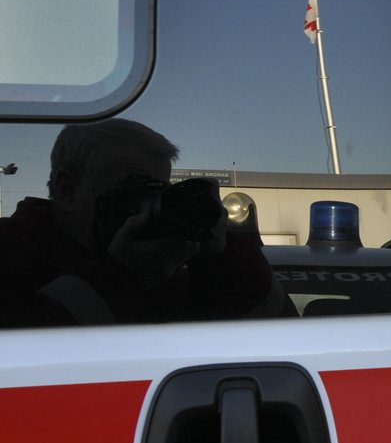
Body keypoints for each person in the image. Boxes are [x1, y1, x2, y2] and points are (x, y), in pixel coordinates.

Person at [0, 118, 289, 327]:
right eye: (132, 187)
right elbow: (29, 353)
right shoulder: (10, 255)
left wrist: (220, 257)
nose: (148, 203)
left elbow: (274, 339)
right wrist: (123, 274)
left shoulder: (168, 264)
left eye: (158, 189)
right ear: (67, 189)